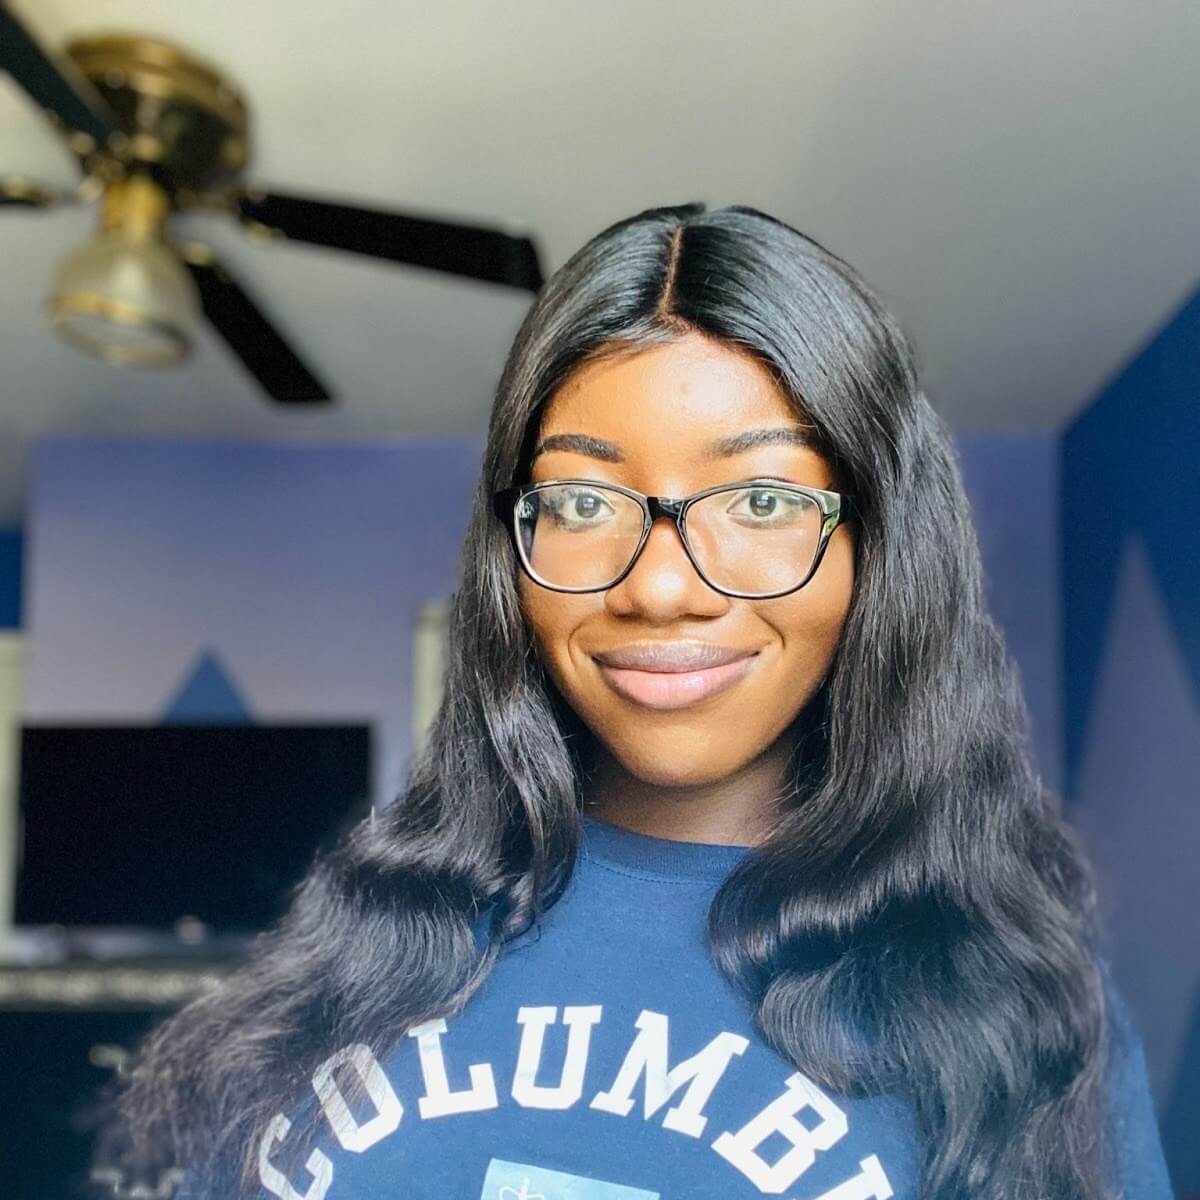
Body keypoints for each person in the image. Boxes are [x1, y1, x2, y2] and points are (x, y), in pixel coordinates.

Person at [98, 203, 1174, 1200]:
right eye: (579, 499)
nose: (658, 586)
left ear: (879, 549)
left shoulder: (1022, 1013)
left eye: (762, 500)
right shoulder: (367, 937)